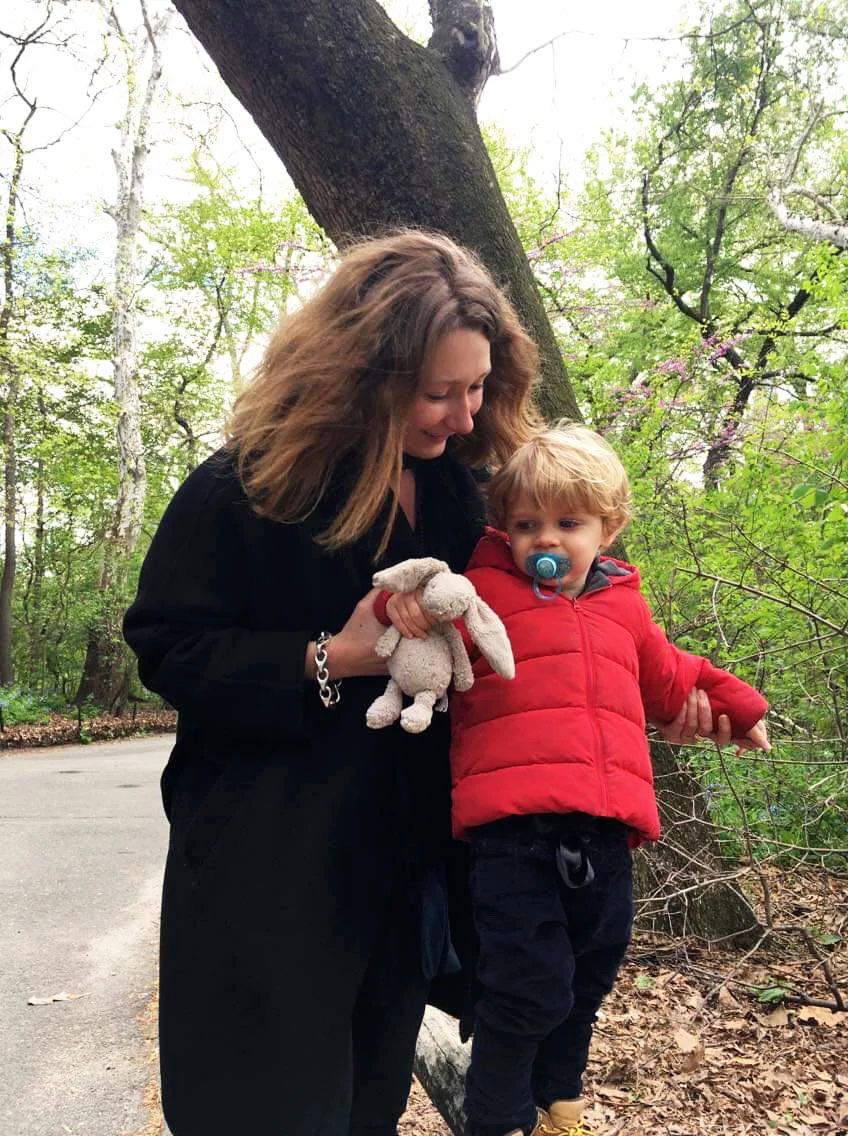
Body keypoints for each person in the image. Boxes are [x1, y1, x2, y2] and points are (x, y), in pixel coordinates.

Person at [121, 229, 542, 1136]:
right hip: (266, 872)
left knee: (366, 1111)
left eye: (478, 387)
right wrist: (333, 658)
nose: (466, 417)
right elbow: (167, 646)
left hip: (400, 874)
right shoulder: (250, 485)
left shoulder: (461, 490)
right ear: (366, 375)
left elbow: (532, 624)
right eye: (440, 393)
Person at [443, 423, 770, 1136]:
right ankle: (495, 1117)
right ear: (503, 527)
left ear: (608, 527)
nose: (546, 541)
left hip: (607, 831)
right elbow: (420, 627)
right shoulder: (481, 594)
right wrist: (401, 604)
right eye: (527, 525)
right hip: (512, 833)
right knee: (526, 983)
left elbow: (672, 675)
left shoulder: (625, 605)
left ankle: (559, 1098)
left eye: (568, 523)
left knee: (590, 972)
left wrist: (739, 706)